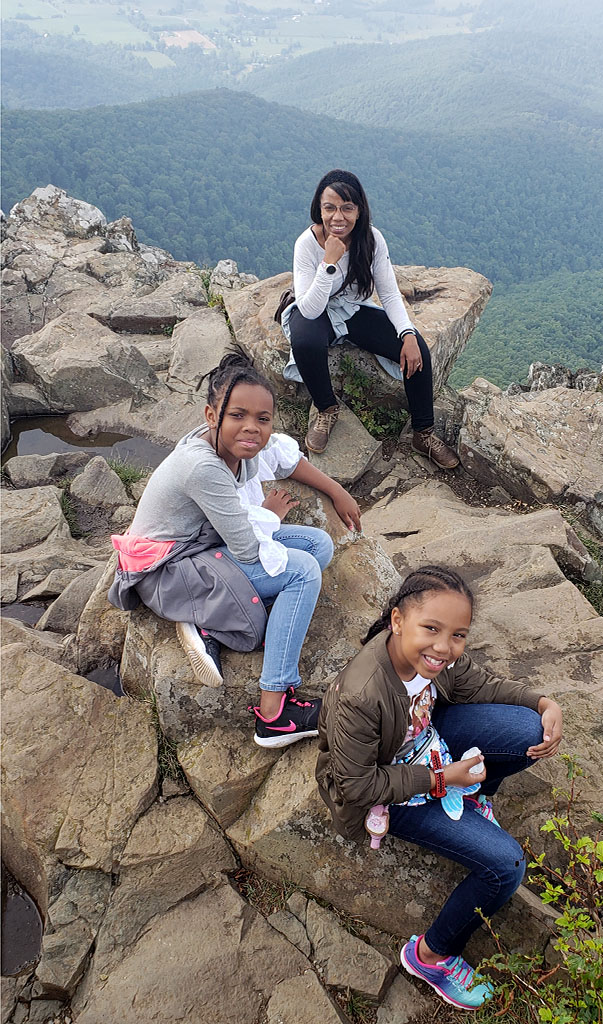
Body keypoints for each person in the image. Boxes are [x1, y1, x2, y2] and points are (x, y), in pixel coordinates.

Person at [316, 566, 563, 1011]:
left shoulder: (436, 659)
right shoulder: (361, 693)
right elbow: (356, 785)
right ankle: (430, 956)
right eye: (431, 629)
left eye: (458, 635)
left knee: (529, 730)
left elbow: (481, 685)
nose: (445, 647)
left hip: (431, 742)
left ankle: (474, 800)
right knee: (506, 867)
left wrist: (544, 703)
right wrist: (442, 780)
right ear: (397, 621)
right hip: (389, 792)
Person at [108, 351, 361, 748]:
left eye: (262, 418)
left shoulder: (234, 444)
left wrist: (336, 489)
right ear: (212, 416)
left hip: (201, 546)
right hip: (169, 571)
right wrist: (270, 515)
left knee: (319, 545)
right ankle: (275, 713)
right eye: (238, 415)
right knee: (303, 572)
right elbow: (245, 548)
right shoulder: (204, 466)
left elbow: (284, 457)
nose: (252, 428)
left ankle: (219, 617)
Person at [281, 168, 460, 469]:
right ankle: (326, 409)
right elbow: (309, 309)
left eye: (347, 208)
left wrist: (407, 334)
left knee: (418, 353)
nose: (338, 217)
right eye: (330, 208)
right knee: (305, 342)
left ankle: (423, 433)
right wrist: (329, 262)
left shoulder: (372, 240)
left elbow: (389, 294)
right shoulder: (306, 244)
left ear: (359, 210)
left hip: (351, 309)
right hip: (317, 306)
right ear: (319, 209)